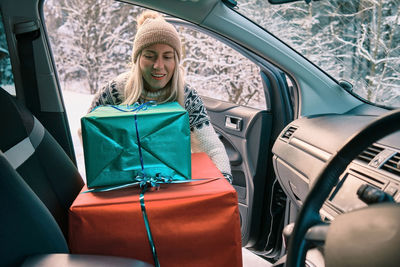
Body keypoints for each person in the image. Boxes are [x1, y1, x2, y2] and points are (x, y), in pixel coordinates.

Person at [87, 10, 233, 183]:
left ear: (176, 61)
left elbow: (212, 147)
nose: (158, 65)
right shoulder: (115, 91)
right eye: (150, 56)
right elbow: (88, 133)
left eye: (167, 57)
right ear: (138, 58)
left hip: (175, 182)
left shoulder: (187, 96)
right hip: (125, 184)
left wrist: (224, 181)